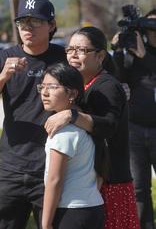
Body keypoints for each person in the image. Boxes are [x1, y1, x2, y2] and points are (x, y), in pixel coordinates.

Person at [0, 0, 66, 229]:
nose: (28, 28)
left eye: (35, 22)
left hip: (52, 167)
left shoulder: (64, 58)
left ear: (52, 25)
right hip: (11, 168)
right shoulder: (2, 58)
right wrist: (3, 76)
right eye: (22, 22)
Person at [44, 26, 140, 229]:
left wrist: (72, 115)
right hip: (92, 185)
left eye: (82, 50)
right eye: (70, 50)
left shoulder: (106, 86)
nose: (73, 55)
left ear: (100, 56)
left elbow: (108, 126)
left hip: (111, 185)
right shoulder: (85, 85)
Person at [40, 64, 104, 229]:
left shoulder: (63, 132)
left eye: (53, 87)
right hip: (92, 207)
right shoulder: (86, 123)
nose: (44, 93)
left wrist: (46, 224)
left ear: (73, 93)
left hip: (71, 212)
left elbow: (55, 180)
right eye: (42, 86)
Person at [112, 9, 156, 229]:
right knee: (139, 187)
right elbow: (118, 78)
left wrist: (145, 57)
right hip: (135, 128)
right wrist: (117, 51)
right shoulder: (133, 52)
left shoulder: (144, 54)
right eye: (150, 27)